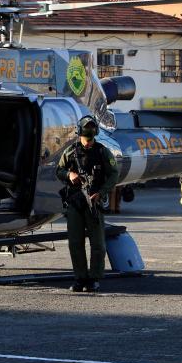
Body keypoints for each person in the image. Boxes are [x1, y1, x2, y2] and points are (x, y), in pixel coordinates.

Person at [56, 115, 119, 293]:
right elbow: (59, 170)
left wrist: (102, 192)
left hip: (94, 203)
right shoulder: (70, 152)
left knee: (98, 244)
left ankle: (94, 279)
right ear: (80, 133)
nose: (89, 139)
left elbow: (114, 174)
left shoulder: (102, 152)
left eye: (91, 133)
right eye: (86, 133)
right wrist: (69, 175)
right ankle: (80, 278)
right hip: (75, 203)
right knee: (75, 243)